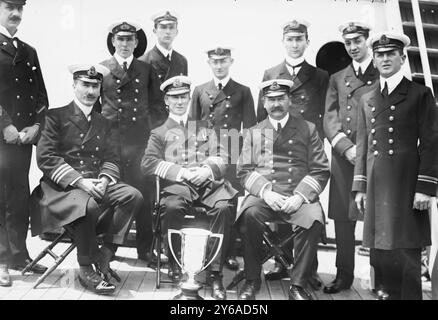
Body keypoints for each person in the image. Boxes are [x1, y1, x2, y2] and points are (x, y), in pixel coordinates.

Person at [31, 64, 143, 296]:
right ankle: (85, 267)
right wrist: (80, 181)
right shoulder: (55, 116)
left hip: (95, 183)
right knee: (87, 204)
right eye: (85, 85)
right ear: (74, 86)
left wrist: (104, 179)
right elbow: (46, 158)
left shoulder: (104, 122)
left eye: (95, 86)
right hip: (60, 189)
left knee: (132, 196)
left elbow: (111, 157)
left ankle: (105, 255)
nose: (90, 91)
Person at [353, 32, 438, 300]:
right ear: (374, 60)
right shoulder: (366, 98)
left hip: (407, 184)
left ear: (402, 58)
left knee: (408, 256)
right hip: (377, 187)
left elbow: (431, 142)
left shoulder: (419, 94)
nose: (385, 58)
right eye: (380, 54)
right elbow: (363, 145)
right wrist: (360, 187)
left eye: (391, 54)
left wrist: (425, 187)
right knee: (380, 255)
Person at [141, 75, 238, 300]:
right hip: (179, 186)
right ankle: (176, 266)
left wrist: (207, 170)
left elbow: (223, 155)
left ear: (189, 98)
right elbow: (147, 163)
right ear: (166, 100)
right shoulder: (159, 132)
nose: (180, 101)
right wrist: (181, 172)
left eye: (184, 96)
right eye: (174, 97)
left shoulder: (205, 127)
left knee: (223, 208)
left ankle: (215, 274)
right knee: (172, 207)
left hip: (207, 185)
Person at [236, 79, 330, 300]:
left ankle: (297, 284)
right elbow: (244, 170)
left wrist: (300, 196)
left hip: (297, 195)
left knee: (313, 219)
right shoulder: (253, 132)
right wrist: (266, 192)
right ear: (264, 102)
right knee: (249, 215)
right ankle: (251, 279)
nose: (276, 104)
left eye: (280, 99)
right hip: (265, 197)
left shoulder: (308, 128)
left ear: (290, 100)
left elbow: (320, 170)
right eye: (271, 100)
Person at [255, 19, 329, 286]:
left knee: (307, 211)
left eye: (300, 39)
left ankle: (307, 270)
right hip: (276, 154)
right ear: (283, 42)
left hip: (305, 152)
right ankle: (283, 262)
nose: (295, 44)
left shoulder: (320, 76)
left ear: (307, 42)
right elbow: (259, 118)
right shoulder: (270, 72)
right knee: (279, 213)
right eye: (290, 39)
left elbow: (324, 116)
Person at [323, 21, 383, 295]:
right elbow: (330, 117)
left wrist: (365, 150)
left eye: (357, 41)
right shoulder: (337, 77)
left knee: (377, 218)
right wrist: (345, 147)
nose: (353, 47)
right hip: (344, 158)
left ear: (367, 41)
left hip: (373, 158)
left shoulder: (382, 73)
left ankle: (380, 278)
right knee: (343, 220)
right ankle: (343, 275)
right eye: (348, 43)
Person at [99, 21, 167, 261]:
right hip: (111, 146)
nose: (125, 44)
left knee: (145, 197)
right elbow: (95, 110)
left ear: (137, 43)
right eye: (121, 39)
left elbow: (159, 107)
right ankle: (108, 247)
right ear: (113, 41)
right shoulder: (102, 69)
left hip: (140, 145)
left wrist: (151, 135)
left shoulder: (146, 69)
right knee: (112, 196)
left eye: (130, 39)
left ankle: (145, 249)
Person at [190, 46, 256, 271]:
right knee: (208, 203)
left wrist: (244, 160)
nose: (219, 65)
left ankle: (227, 252)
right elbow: (193, 127)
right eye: (215, 61)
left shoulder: (243, 91)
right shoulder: (199, 91)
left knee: (229, 206)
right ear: (209, 63)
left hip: (232, 157)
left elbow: (249, 131)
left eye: (223, 61)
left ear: (231, 61)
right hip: (205, 156)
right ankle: (203, 252)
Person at [0, 0, 48, 287]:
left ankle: (18, 255)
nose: (16, 13)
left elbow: (41, 96)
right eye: (9, 7)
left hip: (22, 141)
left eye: (20, 8)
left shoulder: (29, 51)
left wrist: (36, 126)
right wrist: (5, 124)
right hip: (0, 138)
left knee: (18, 196)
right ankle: (1, 260)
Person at [139, 10, 188, 83]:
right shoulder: (143, 62)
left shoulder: (182, 61)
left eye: (171, 27)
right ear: (155, 31)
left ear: (176, 32)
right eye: (163, 27)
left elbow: (184, 91)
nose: (168, 32)